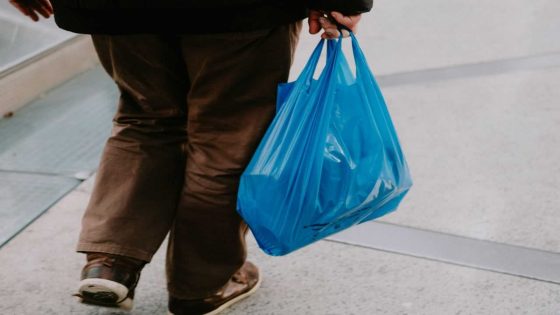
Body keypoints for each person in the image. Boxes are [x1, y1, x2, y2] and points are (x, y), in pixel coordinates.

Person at [9, 0, 372, 314]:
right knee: (227, 132)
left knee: (146, 116)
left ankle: (111, 261)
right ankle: (201, 286)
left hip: (113, 8)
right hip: (239, 11)